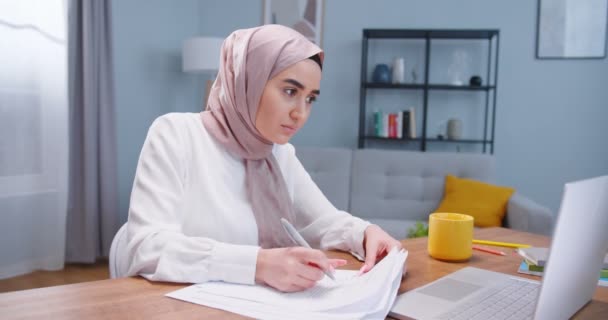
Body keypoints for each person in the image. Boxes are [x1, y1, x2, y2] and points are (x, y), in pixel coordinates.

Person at [126, 24, 402, 293]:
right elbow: (147, 247)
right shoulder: (177, 134)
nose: (301, 113)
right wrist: (258, 264)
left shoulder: (279, 153)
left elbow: (324, 220)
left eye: (310, 99)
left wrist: (366, 234)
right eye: (290, 91)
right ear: (249, 80)